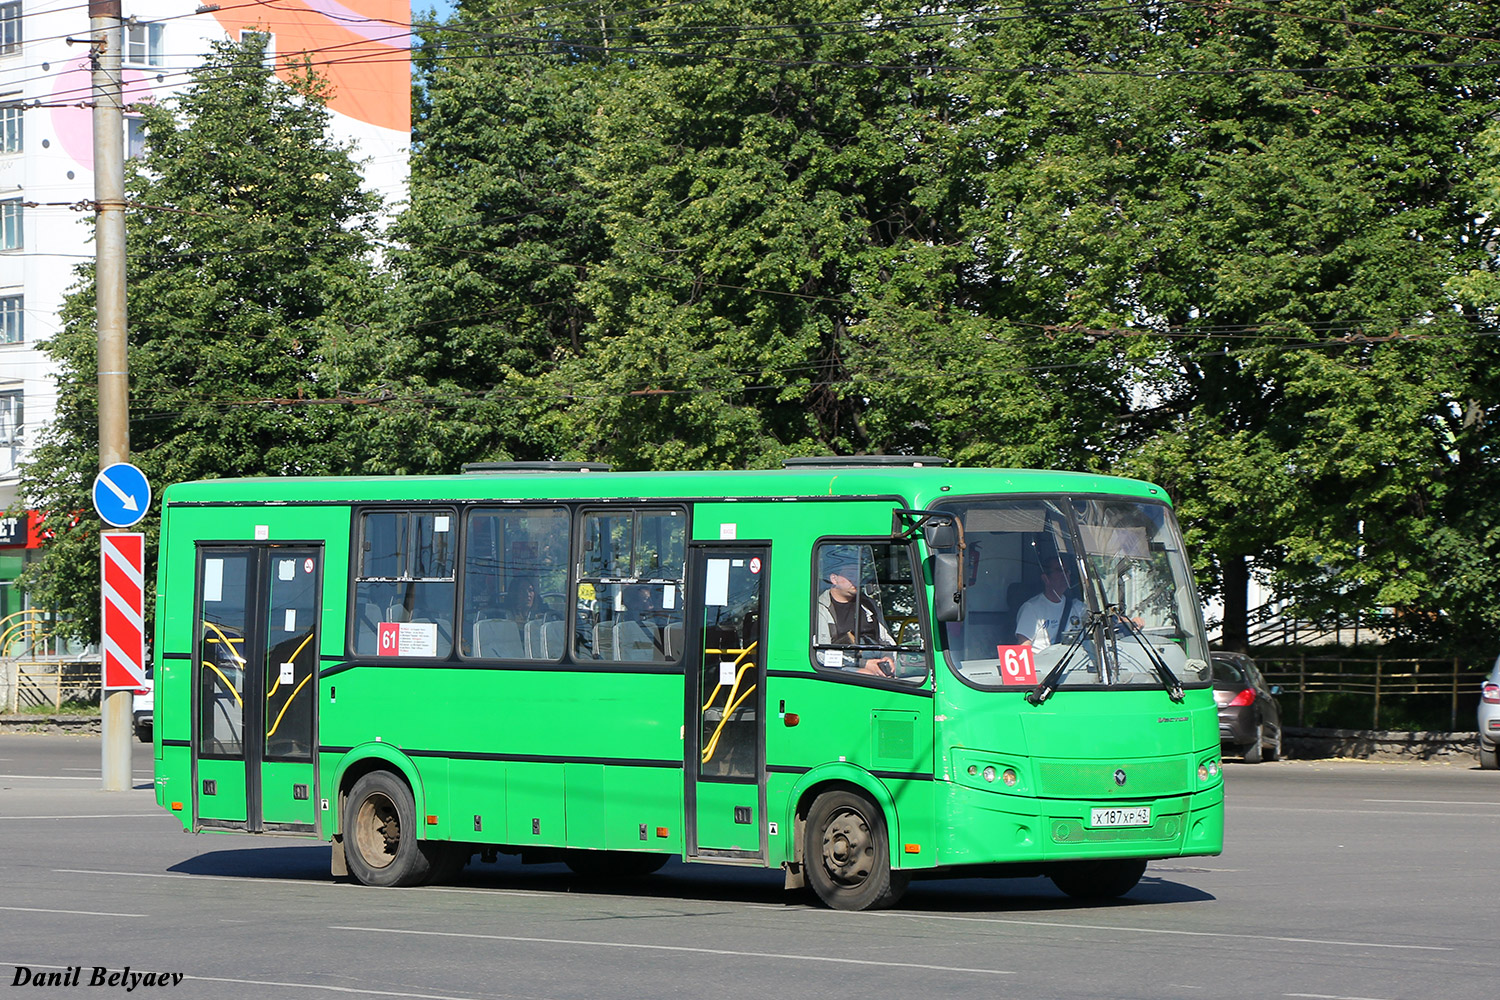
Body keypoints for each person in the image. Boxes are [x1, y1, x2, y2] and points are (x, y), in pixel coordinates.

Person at [814, 557, 897, 677]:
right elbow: (821, 655)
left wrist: (888, 657)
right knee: (869, 677)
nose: (856, 580)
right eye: (850, 575)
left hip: (876, 660)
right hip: (841, 668)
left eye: (859, 575)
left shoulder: (868, 604)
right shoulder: (822, 608)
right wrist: (863, 664)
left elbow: (887, 640)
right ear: (834, 579)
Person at [1013, 555, 1082, 648]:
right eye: (1059, 571)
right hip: (1042, 661)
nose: (1064, 575)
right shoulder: (1031, 608)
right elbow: (1023, 647)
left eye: (1066, 571)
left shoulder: (1078, 607)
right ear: (1046, 578)